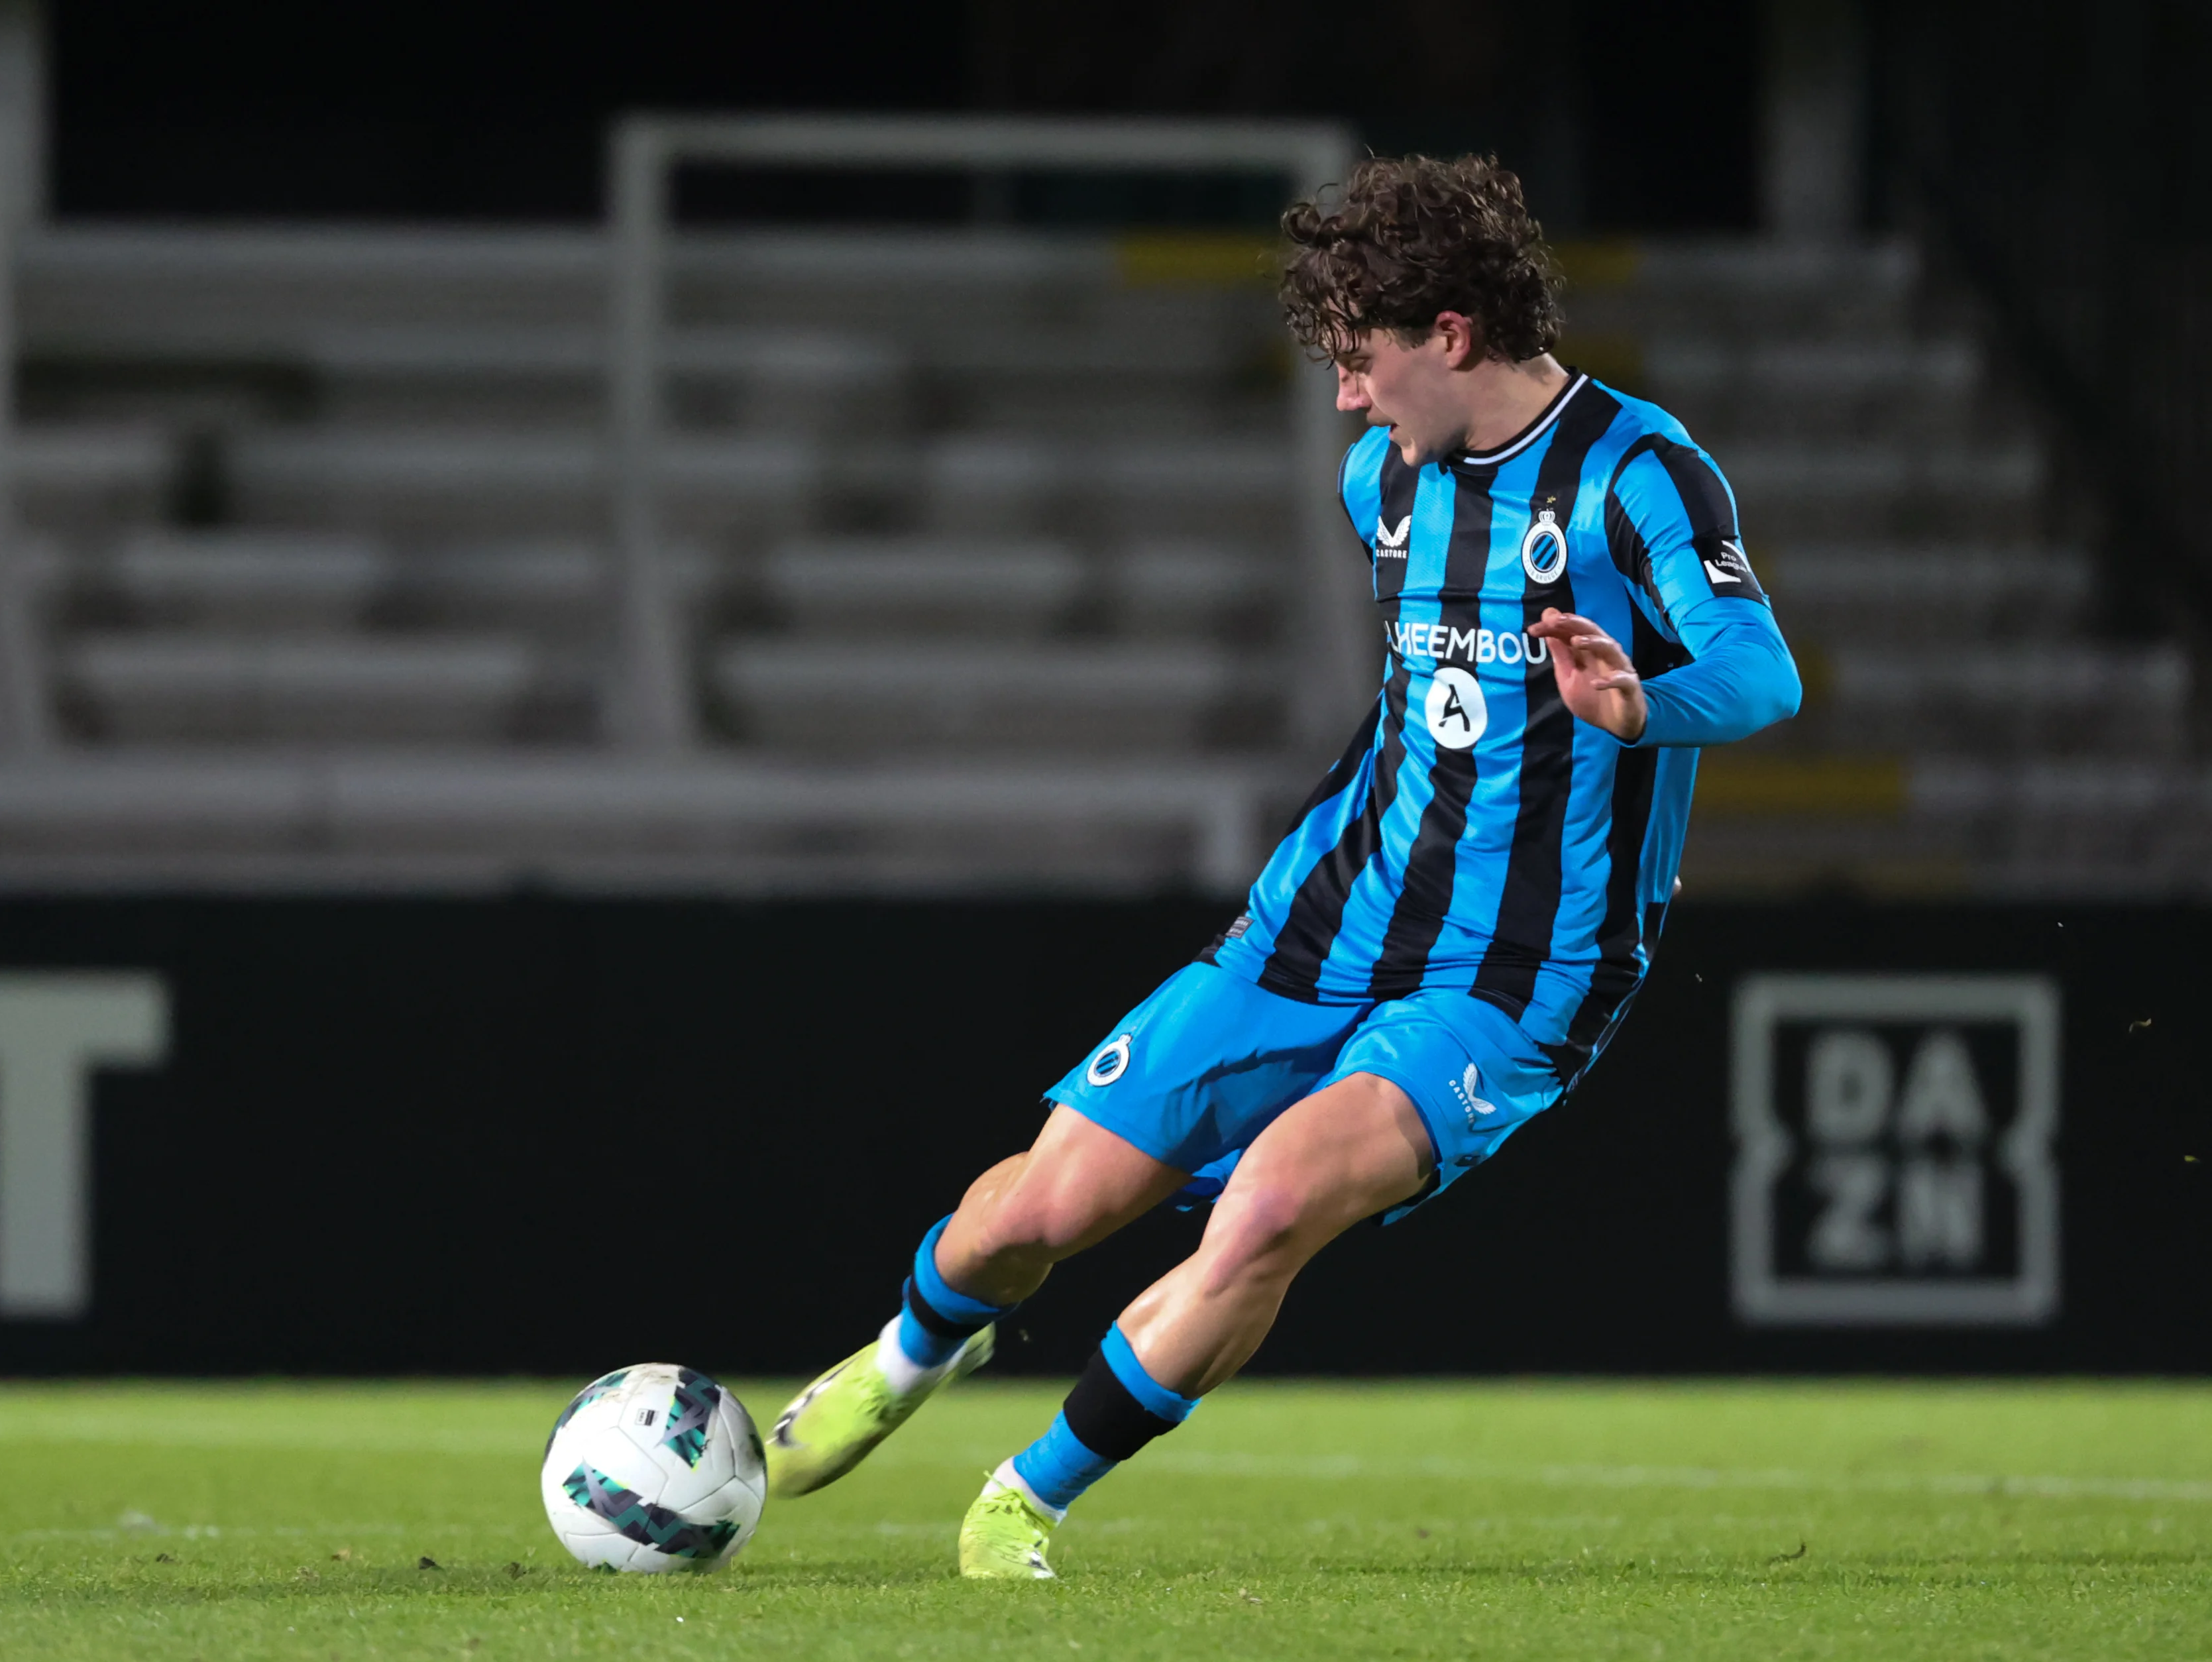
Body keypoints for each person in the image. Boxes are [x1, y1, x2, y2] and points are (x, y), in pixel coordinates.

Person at [763, 154, 1804, 1579]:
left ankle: (1027, 1497)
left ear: (1450, 335)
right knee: (1044, 1214)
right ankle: (905, 1354)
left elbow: (1760, 673)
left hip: (1516, 974)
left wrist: (1643, 706)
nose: (1344, 399)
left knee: (1266, 1209)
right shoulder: (1380, 480)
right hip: (1316, 925)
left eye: (1359, 360)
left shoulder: (1638, 473)